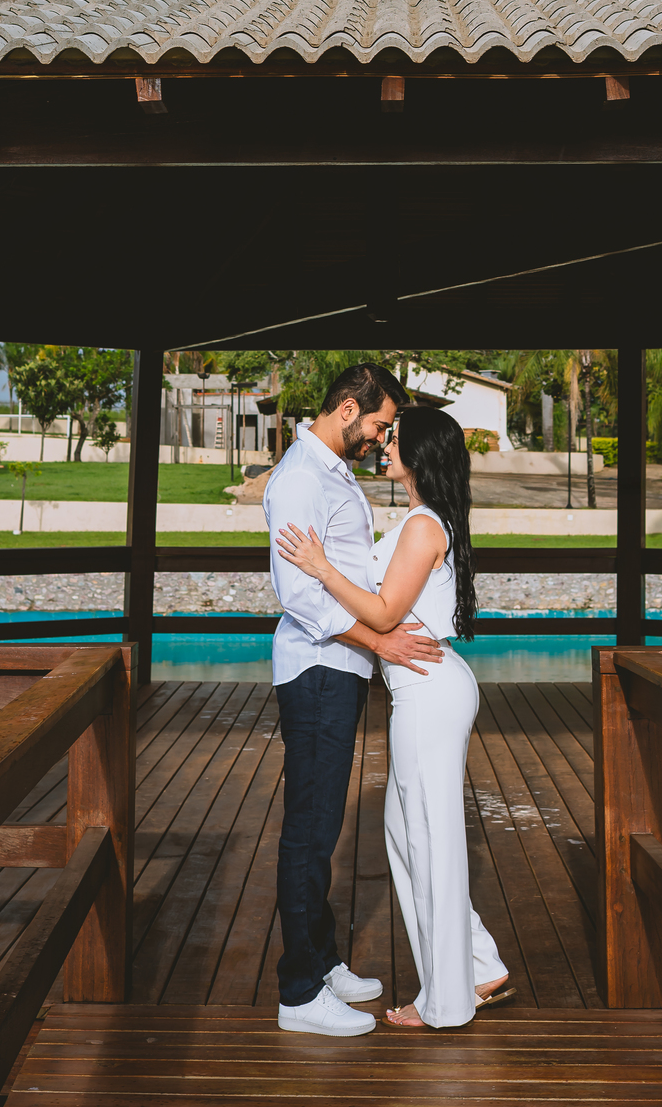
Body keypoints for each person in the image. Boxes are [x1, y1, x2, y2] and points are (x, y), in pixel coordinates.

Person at [277, 404, 512, 1029]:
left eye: (396, 438)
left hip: (428, 692)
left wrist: (321, 567)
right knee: (410, 838)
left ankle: (446, 1002)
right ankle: (480, 961)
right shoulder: (421, 521)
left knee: (428, 840)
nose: (385, 445)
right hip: (422, 689)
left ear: (422, 452)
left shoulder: (422, 526)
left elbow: (383, 616)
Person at [265, 362, 443, 1039]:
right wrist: (382, 641)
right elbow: (299, 595)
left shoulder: (331, 472)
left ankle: (324, 958)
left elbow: (350, 567)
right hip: (316, 668)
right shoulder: (300, 480)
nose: (379, 437)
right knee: (309, 831)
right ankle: (299, 992)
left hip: (337, 667)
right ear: (346, 410)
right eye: (376, 424)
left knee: (323, 827)